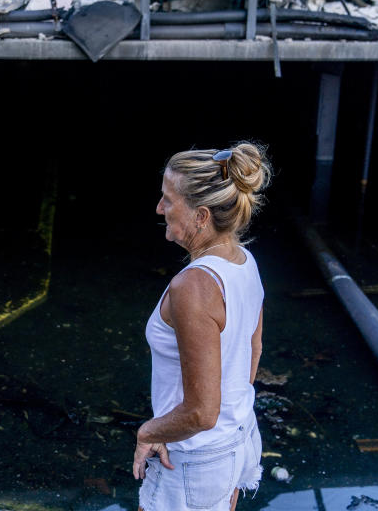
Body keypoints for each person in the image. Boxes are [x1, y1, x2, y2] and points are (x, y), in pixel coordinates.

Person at [134, 142, 272, 511]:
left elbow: (201, 413)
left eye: (168, 200)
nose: (160, 208)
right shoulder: (245, 261)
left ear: (201, 216)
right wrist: (232, 420)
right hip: (239, 437)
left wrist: (149, 432)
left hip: (195, 456)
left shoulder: (193, 287)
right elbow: (253, 352)